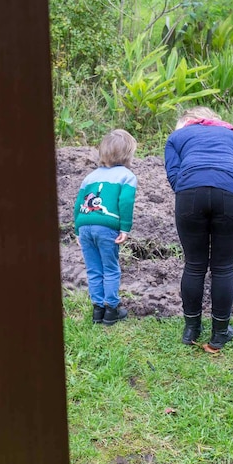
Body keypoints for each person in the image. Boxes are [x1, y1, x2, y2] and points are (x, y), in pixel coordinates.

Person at [164, 107, 233, 351]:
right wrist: (231, 177)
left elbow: (173, 174)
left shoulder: (176, 137)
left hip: (190, 194)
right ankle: (219, 333)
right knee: (222, 266)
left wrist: (193, 183)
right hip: (232, 195)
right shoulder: (232, 134)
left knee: (194, 264)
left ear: (186, 122)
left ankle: (191, 330)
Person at [74, 129, 138, 325]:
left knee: (94, 269)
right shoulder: (127, 176)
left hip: (85, 226)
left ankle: (97, 310)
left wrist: (77, 229)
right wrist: (125, 228)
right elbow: (125, 202)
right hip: (106, 227)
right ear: (128, 154)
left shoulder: (90, 177)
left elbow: (78, 204)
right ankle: (111, 310)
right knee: (110, 268)